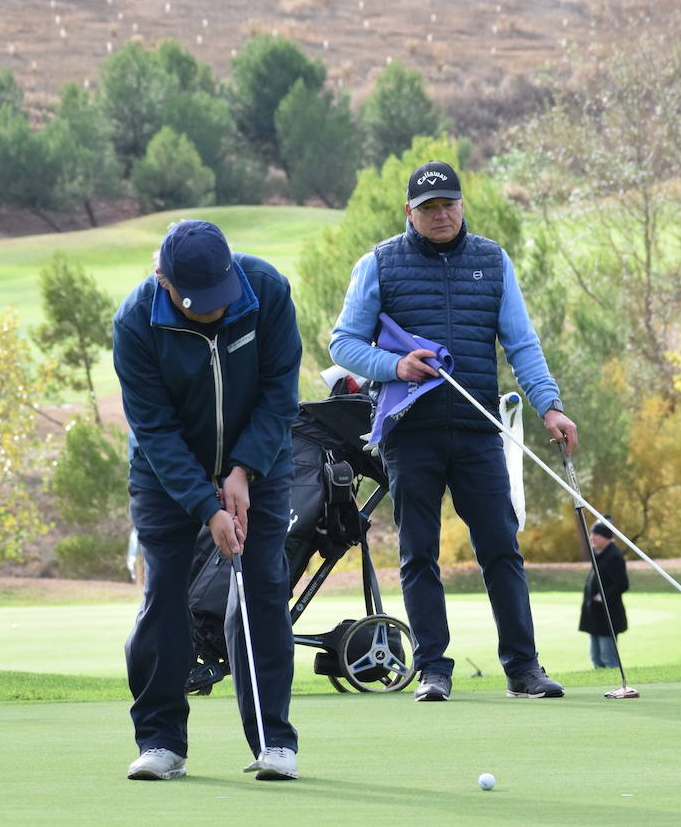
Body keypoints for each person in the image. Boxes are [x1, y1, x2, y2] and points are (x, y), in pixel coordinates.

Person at [329, 160, 578, 702]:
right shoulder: (379, 263)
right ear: (409, 213)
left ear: (461, 205)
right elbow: (343, 344)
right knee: (420, 553)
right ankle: (434, 670)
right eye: (428, 208)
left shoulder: (492, 260)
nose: (440, 215)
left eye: (448, 204)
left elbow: (522, 344)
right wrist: (397, 366)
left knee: (501, 548)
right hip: (410, 432)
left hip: (476, 430)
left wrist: (550, 407)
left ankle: (524, 669)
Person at [113, 219, 303, 781]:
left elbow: (280, 394)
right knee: (166, 590)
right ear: (163, 281)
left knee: (262, 585)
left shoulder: (265, 289)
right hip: (166, 472)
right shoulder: (136, 321)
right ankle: (161, 742)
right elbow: (155, 431)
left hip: (261, 462)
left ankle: (274, 742)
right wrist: (208, 506)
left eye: (219, 300)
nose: (213, 313)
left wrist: (244, 470)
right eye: (199, 305)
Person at [580, 522, 629, 668]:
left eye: (596, 534)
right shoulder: (598, 553)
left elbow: (622, 585)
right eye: (591, 534)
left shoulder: (614, 556)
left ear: (606, 537)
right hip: (595, 614)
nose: (592, 537)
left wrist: (601, 597)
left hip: (608, 615)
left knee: (608, 659)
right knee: (595, 658)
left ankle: (616, 688)